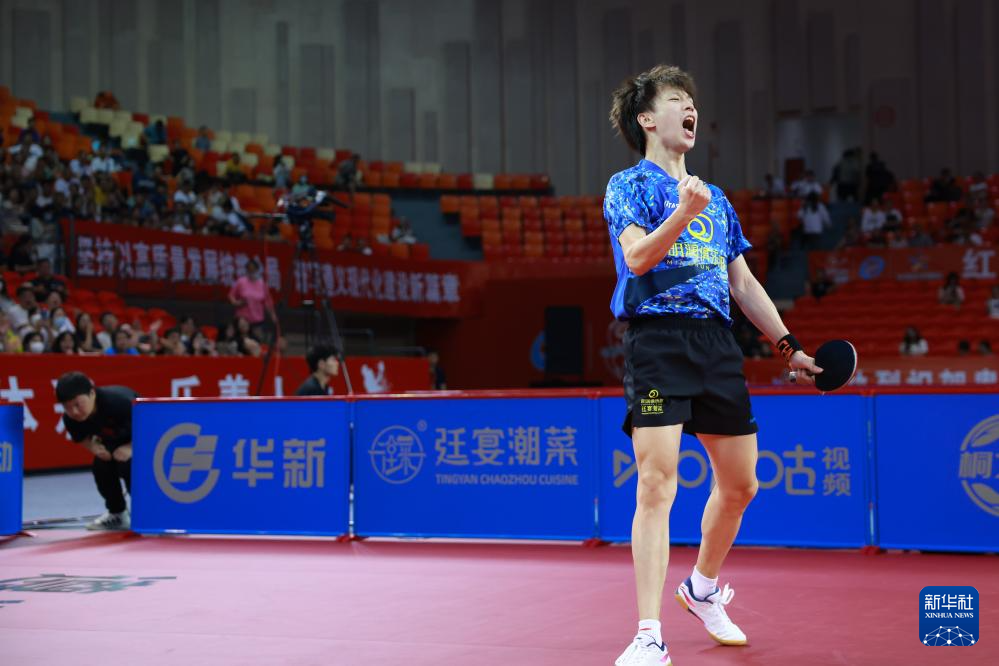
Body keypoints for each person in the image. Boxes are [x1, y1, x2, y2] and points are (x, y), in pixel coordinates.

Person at [605, 63, 821, 666]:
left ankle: (700, 589)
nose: (689, 108)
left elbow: (743, 285)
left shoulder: (717, 200)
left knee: (741, 484)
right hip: (657, 343)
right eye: (676, 99)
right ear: (648, 119)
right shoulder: (628, 185)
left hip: (716, 345)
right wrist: (681, 213)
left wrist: (789, 348)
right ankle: (649, 634)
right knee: (656, 482)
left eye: (691, 100)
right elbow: (637, 260)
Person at [55, 372, 137, 530]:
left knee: (129, 466)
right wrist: (94, 448)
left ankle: (147, 512)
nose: (74, 412)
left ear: (92, 393)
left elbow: (151, 426)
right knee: (101, 466)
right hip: (114, 440)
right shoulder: (70, 418)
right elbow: (81, 438)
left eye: (78, 404)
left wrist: (131, 448)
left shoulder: (120, 403)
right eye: (67, 407)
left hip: (143, 440)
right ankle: (117, 514)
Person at [228, 258, 277, 341]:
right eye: (249, 270)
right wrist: (236, 303)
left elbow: (267, 302)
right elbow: (231, 295)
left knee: (257, 340)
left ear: (257, 270)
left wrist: (272, 315)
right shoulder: (241, 282)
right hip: (243, 318)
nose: (251, 272)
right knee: (243, 339)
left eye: (253, 270)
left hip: (257, 319)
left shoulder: (262, 284)